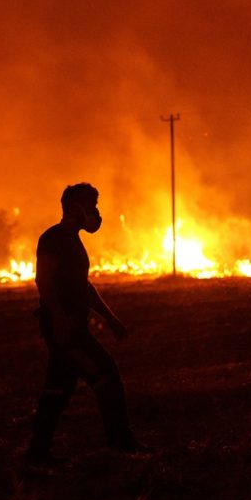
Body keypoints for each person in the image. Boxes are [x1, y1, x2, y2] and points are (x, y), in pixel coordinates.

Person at [26, 183, 148, 466]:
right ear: (74, 208)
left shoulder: (73, 240)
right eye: (91, 206)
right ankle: (121, 442)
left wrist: (110, 318)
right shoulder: (53, 238)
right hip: (66, 330)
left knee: (58, 388)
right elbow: (43, 279)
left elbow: (84, 287)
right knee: (106, 375)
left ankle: (37, 454)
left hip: (71, 326)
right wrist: (59, 316)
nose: (95, 212)